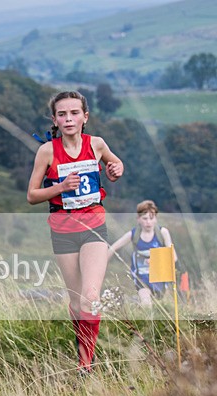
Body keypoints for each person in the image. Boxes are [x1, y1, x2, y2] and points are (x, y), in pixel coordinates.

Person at [27, 90, 124, 373]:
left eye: (74, 113)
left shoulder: (96, 144)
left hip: (94, 224)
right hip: (63, 229)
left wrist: (115, 170)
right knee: (76, 300)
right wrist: (59, 187)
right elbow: (32, 195)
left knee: (91, 297)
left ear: (85, 117)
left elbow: (115, 165)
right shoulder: (47, 151)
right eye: (62, 114)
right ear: (55, 119)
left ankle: (85, 364)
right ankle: (83, 348)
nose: (68, 118)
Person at [108, 199, 176, 306]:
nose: (148, 222)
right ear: (138, 219)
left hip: (160, 277)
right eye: (144, 218)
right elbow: (113, 247)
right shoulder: (134, 234)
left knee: (163, 306)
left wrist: (155, 260)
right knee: (146, 304)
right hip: (141, 277)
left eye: (151, 218)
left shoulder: (162, 232)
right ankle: (143, 312)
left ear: (156, 219)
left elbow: (173, 257)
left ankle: (134, 302)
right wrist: (102, 262)